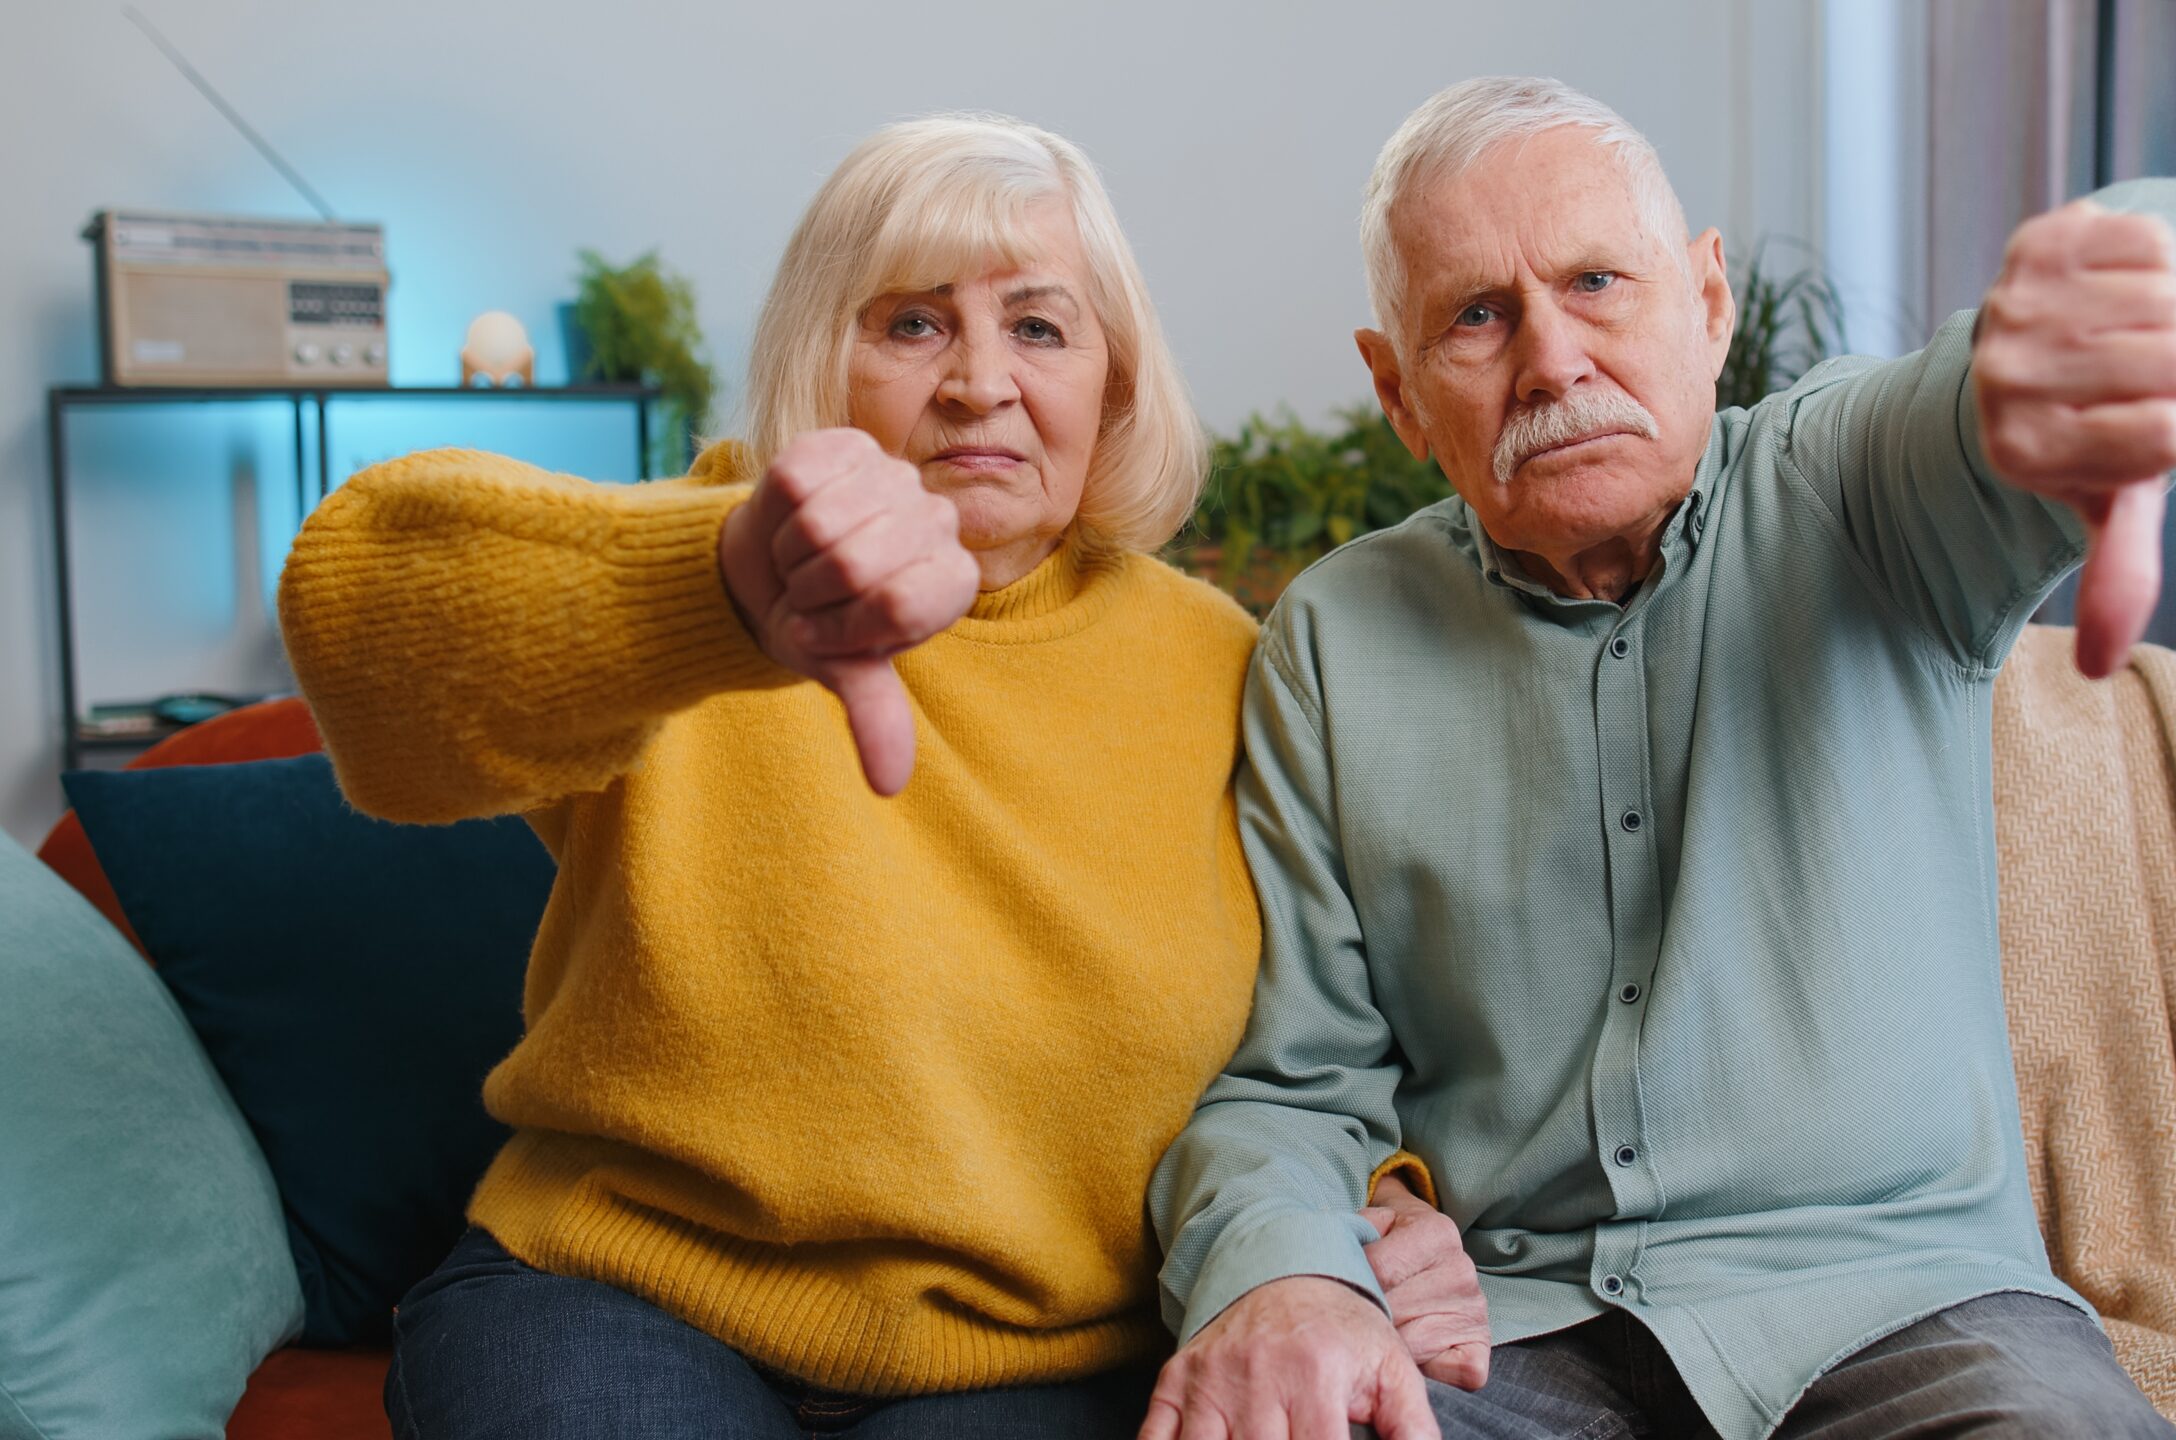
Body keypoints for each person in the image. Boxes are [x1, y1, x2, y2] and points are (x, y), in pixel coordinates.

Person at [276, 112, 1474, 1440]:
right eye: (910, 324)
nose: (976, 383)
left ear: (1116, 383)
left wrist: (1375, 1205)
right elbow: (362, 621)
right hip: (617, 1289)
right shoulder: (725, 550)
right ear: (817, 356)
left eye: (1040, 327)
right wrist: (729, 590)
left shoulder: (1227, 667)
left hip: (1038, 1351)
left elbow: (1323, 1027)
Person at [1143, 77, 2176, 1440]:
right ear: (1398, 391)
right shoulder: (1334, 640)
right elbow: (1293, 1080)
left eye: (1598, 282)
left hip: (1907, 1311)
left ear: (1711, 304)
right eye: (1478, 316)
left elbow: (2023, 384)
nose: (1553, 360)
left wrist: (2137, 297)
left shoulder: (1864, 490)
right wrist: (1287, 1272)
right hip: (1513, 1333)